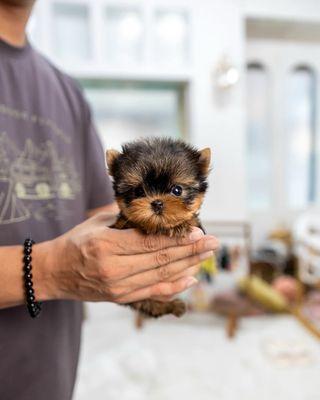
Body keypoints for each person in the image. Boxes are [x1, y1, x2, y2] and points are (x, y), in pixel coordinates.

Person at [0, 1, 219, 399]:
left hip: (54, 372)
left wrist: (145, 266)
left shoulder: (66, 90)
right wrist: (48, 270)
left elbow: (103, 216)